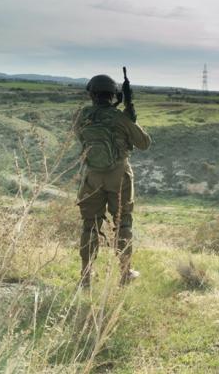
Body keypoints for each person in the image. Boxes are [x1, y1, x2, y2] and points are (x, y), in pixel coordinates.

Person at [74, 74, 151, 288]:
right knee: (123, 223)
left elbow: (80, 138)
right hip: (119, 176)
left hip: (92, 176)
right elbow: (144, 143)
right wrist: (131, 118)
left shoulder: (83, 116)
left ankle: (86, 276)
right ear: (113, 95)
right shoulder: (119, 118)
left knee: (90, 225)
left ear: (91, 93)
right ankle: (125, 273)